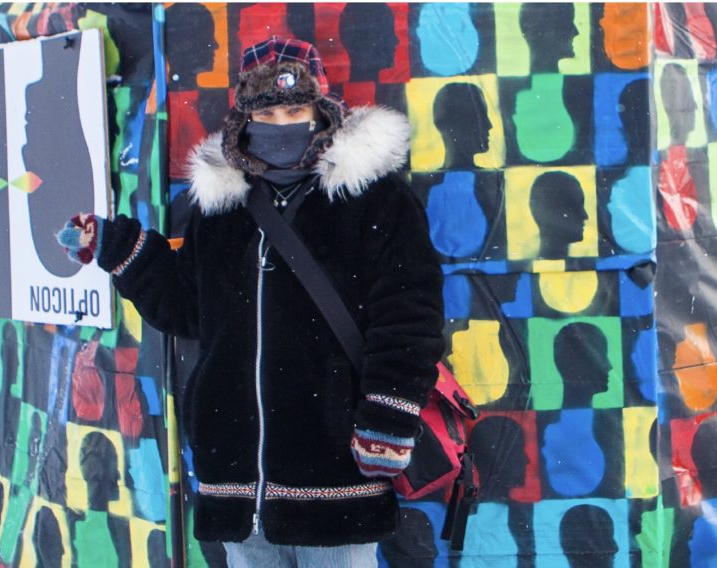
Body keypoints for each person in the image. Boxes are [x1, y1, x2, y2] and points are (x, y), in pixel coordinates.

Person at [69, 37, 442, 567]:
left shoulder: (374, 199)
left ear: (321, 111)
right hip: (236, 482)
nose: (282, 123)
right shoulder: (221, 210)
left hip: (336, 476)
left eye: (295, 109)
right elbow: (186, 309)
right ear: (244, 119)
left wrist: (386, 416)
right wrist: (120, 249)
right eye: (267, 111)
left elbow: (410, 317)